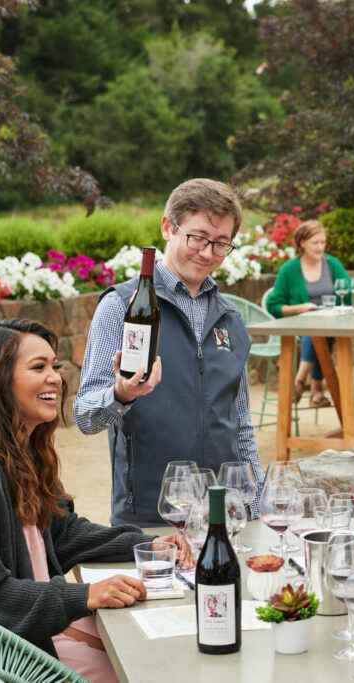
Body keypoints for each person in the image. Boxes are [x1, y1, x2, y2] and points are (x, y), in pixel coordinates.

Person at [0, 319, 191, 681]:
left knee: (152, 647)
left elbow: (63, 532)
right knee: (141, 666)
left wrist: (145, 543)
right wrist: (83, 596)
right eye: (38, 367)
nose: (54, 377)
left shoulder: (20, 447)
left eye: (54, 366)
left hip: (19, 636)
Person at [75, 178, 264, 526]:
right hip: (150, 519)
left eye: (221, 243)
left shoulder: (231, 320)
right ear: (168, 227)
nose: (208, 253)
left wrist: (257, 505)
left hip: (225, 515)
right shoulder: (121, 306)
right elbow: (85, 416)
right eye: (198, 238)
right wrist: (121, 394)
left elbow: (241, 428)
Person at [264, 219, 352, 407]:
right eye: (315, 243)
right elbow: (273, 306)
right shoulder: (289, 269)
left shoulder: (333, 264)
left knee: (321, 331)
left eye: (323, 242)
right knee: (315, 332)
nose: (320, 247)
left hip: (329, 324)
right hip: (299, 326)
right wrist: (301, 308)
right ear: (302, 243)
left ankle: (300, 378)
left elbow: (348, 291)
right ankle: (316, 389)